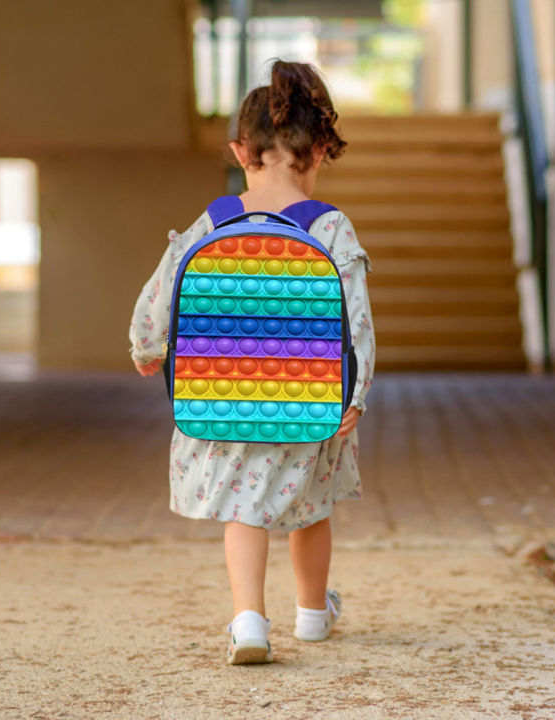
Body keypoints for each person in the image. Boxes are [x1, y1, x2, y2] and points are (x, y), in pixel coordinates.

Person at [129, 60, 375, 664]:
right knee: (309, 509)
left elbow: (163, 291)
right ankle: (314, 615)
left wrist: (147, 347)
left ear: (243, 151)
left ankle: (248, 621)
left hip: (226, 393)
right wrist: (355, 392)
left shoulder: (214, 220)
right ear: (318, 151)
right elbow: (357, 321)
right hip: (308, 398)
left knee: (245, 508)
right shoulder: (331, 227)